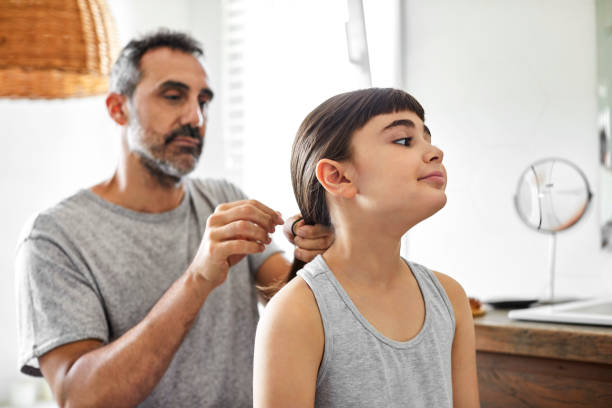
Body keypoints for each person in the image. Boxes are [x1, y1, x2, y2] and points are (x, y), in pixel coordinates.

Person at [15, 29, 333, 408]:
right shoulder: (54, 237)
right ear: (119, 108)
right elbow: (80, 398)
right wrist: (198, 278)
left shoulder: (223, 198)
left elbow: (284, 295)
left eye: (203, 101)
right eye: (173, 96)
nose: (195, 117)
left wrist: (307, 258)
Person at [254, 88, 480, 407]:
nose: (435, 151)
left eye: (428, 138)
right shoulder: (295, 314)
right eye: (404, 140)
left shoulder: (450, 298)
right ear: (337, 176)